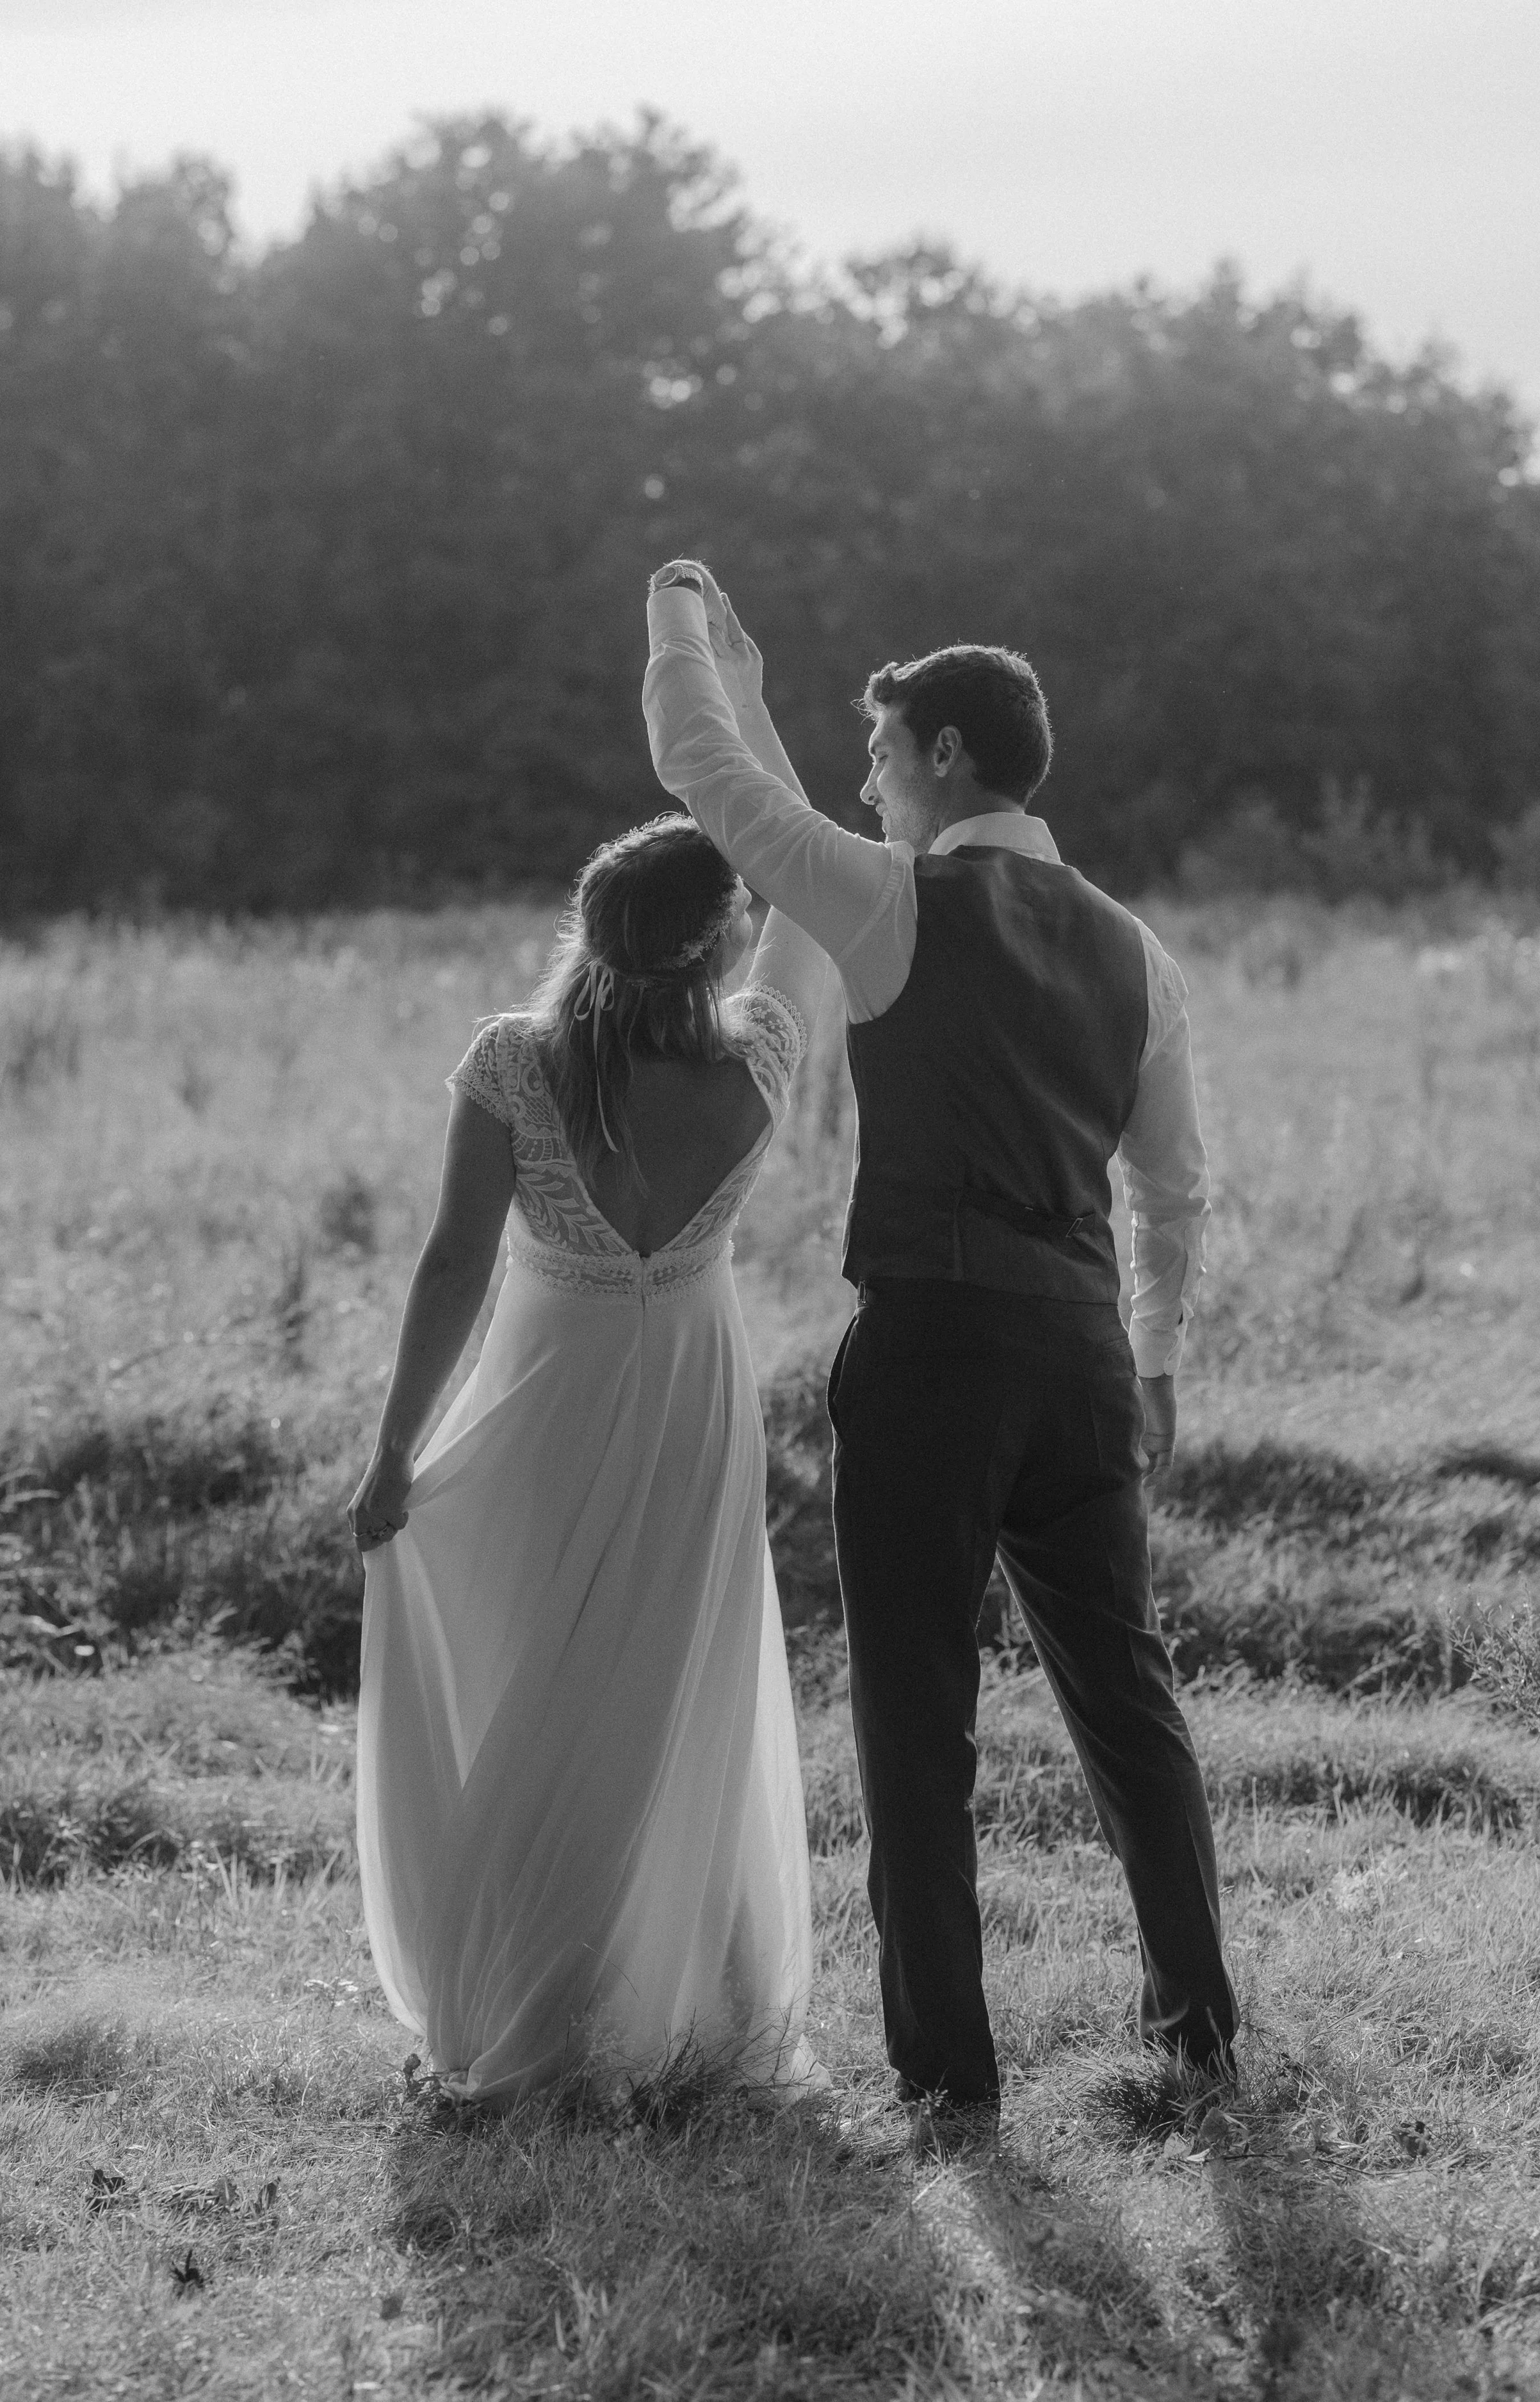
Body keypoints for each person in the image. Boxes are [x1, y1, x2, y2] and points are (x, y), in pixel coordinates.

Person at [643, 560, 1238, 2149]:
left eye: (882, 751)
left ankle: (946, 2081)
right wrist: (1157, 1361)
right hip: (1082, 1353)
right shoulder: (1135, 948)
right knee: (1127, 1696)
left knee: (913, 1715)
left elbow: (710, 784)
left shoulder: (891, 902)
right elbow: (1173, 1187)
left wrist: (677, 624)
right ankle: (1197, 2034)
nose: (866, 781)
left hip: (930, 1349)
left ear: (948, 757)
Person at [348, 805, 831, 2104]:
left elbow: (454, 1264)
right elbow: (797, 892)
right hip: (688, 1391)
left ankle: (542, 2005)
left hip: (544, 1396)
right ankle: (689, 2004)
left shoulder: (514, 1063)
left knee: (539, 1676)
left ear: (588, 923)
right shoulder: (762, 1055)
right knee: (675, 1680)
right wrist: (730, 733)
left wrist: (396, 1451)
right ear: (720, 946)